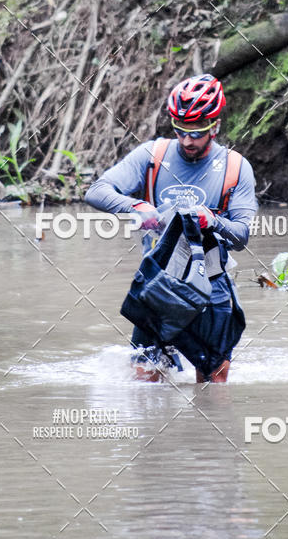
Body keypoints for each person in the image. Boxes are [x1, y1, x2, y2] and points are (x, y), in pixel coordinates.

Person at [84, 73, 258, 383]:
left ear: (215, 126)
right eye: (180, 130)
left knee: (214, 385)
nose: (188, 140)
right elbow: (97, 191)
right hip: (159, 285)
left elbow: (241, 236)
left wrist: (213, 220)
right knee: (145, 381)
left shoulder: (235, 167)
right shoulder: (153, 156)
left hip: (211, 285)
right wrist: (136, 207)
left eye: (197, 131)